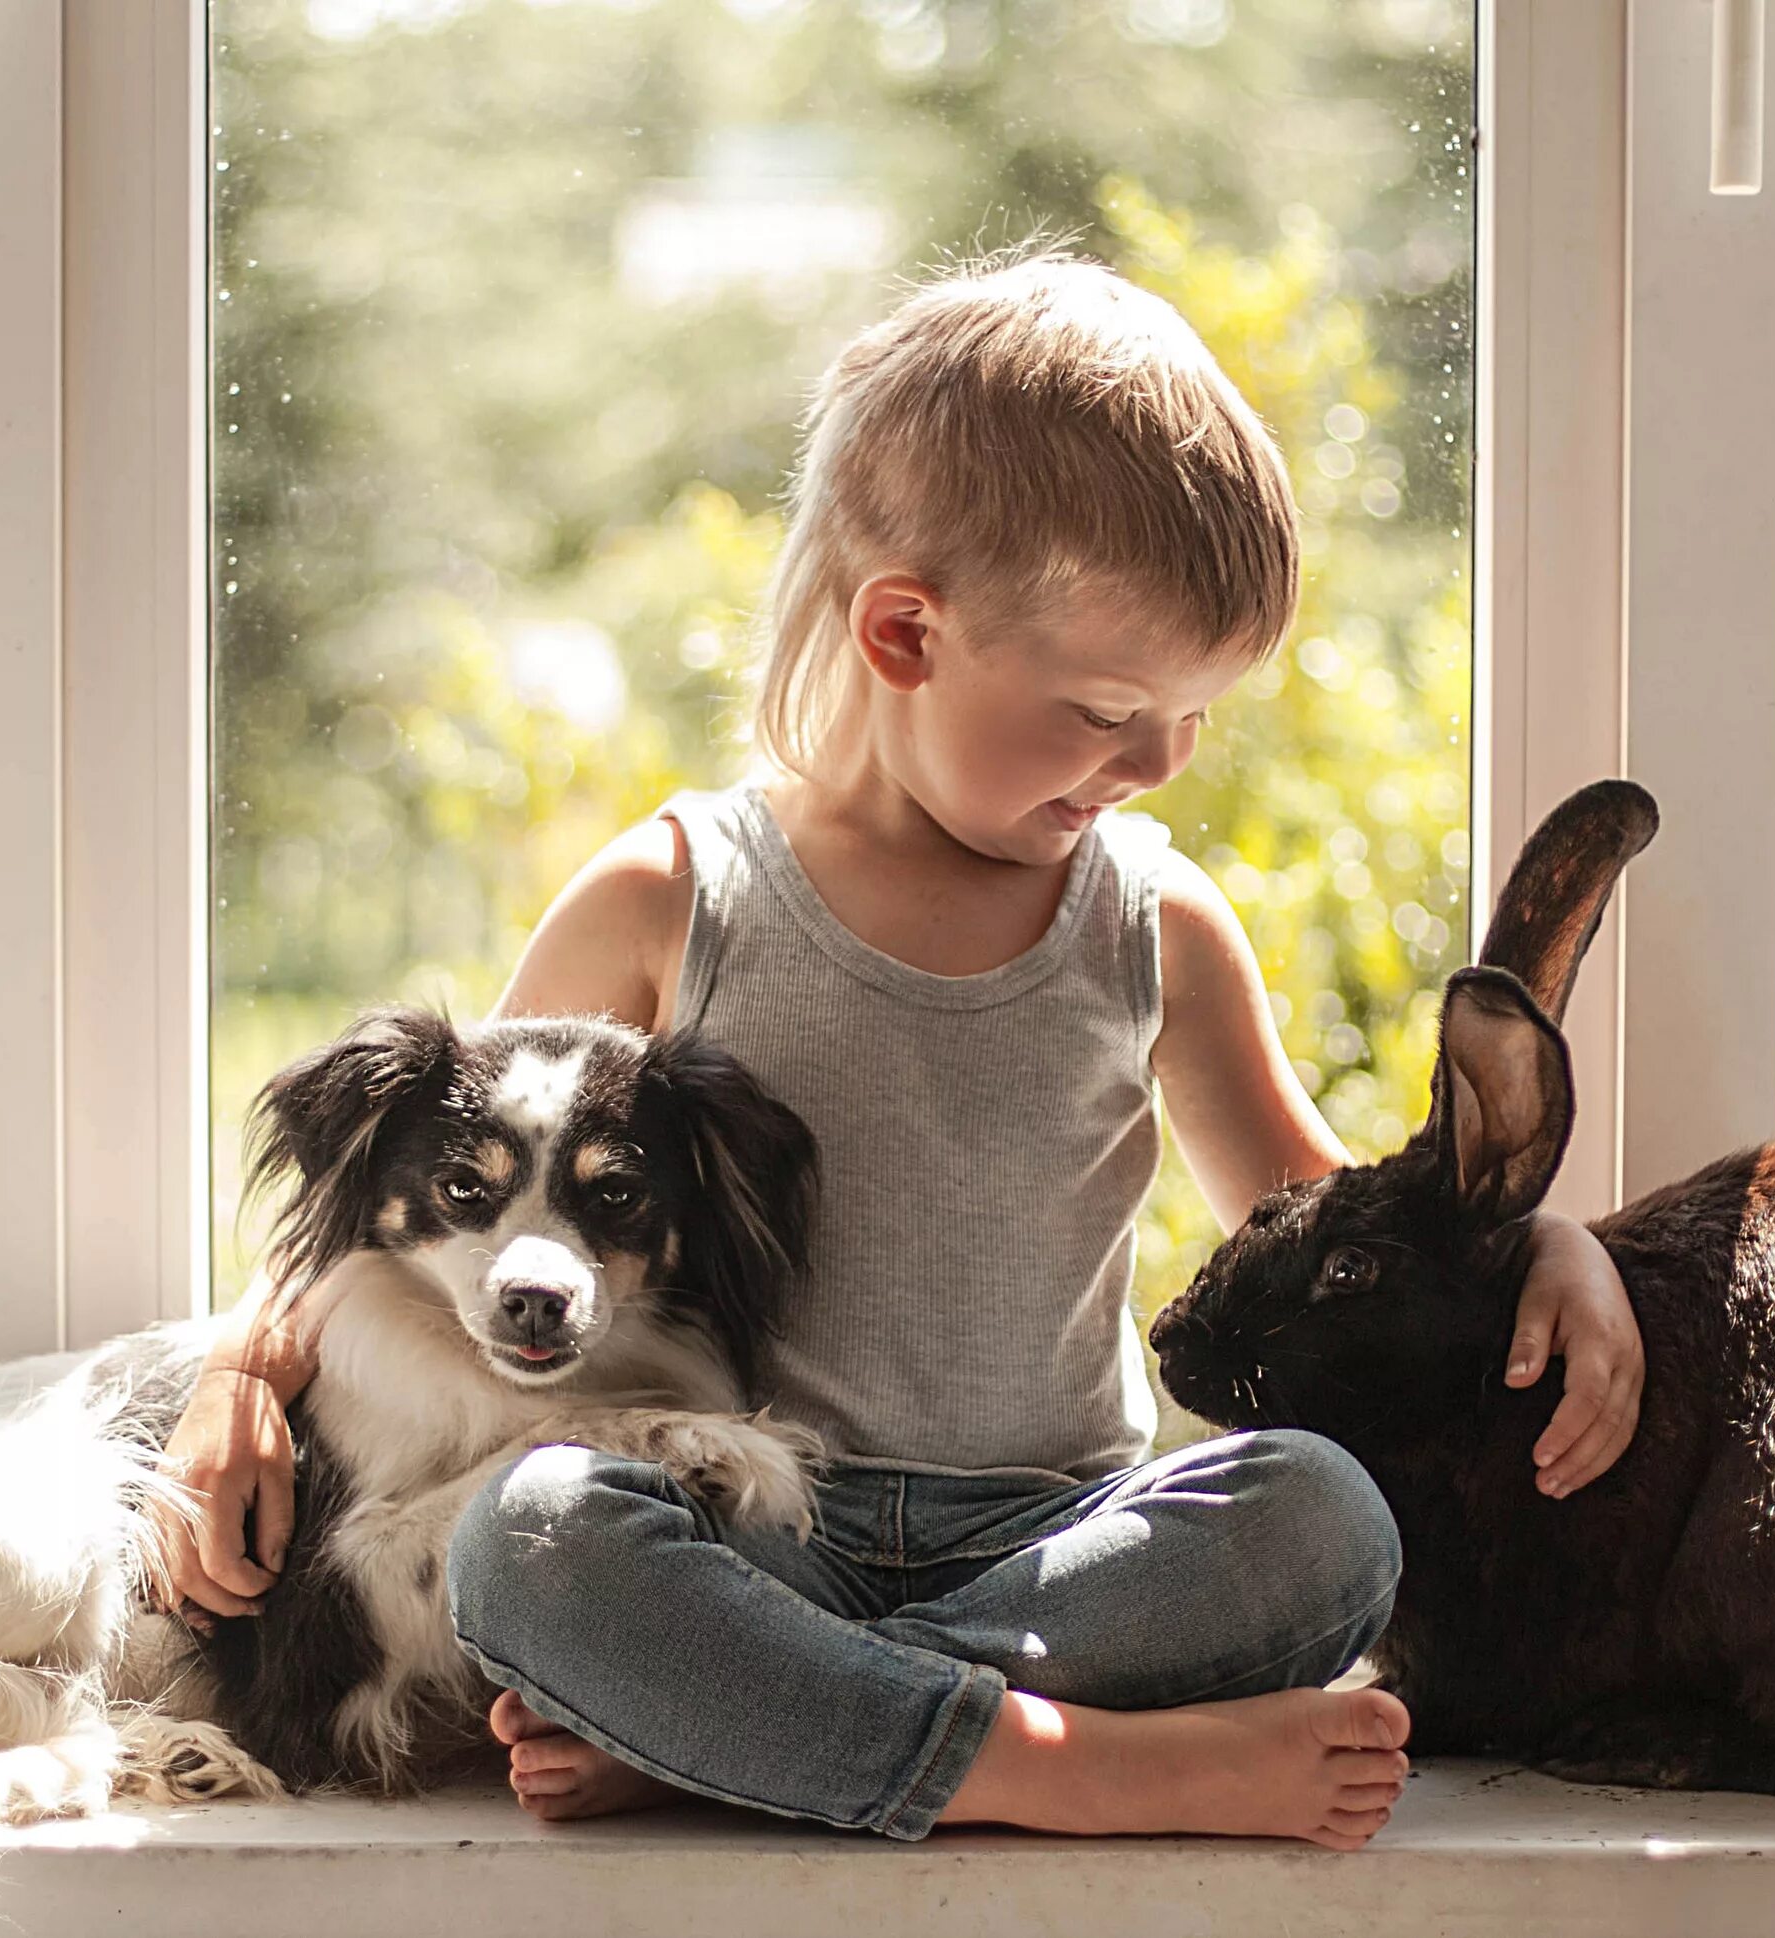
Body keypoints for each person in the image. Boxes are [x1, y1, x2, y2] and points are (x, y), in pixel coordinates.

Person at [158, 248, 1642, 1851]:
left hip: (1070, 1539)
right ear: (904, 632)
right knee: (533, 1539)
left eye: (1196, 717)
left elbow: (1332, 1225)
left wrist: (1544, 1233)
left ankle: (759, 1726)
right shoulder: (677, 895)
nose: (1155, 761)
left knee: (1327, 1523)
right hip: (747, 1514)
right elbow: (462, 1182)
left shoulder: (1158, 926)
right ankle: (1072, 1764)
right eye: (1104, 708)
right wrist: (246, 1368)